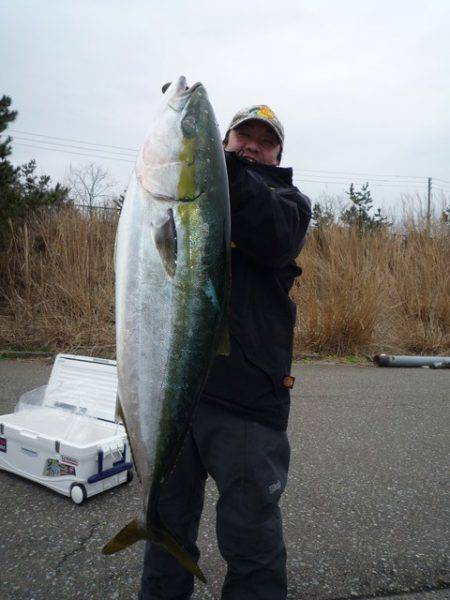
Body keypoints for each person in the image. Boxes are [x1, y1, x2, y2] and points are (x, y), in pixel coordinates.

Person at [139, 104, 312, 600]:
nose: (253, 145)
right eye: (242, 135)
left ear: (279, 153)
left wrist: (217, 165)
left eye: (265, 140)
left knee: (252, 545)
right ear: (223, 140)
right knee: (165, 537)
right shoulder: (187, 195)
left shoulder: (289, 204)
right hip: (176, 397)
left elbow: (274, 235)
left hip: (249, 404)